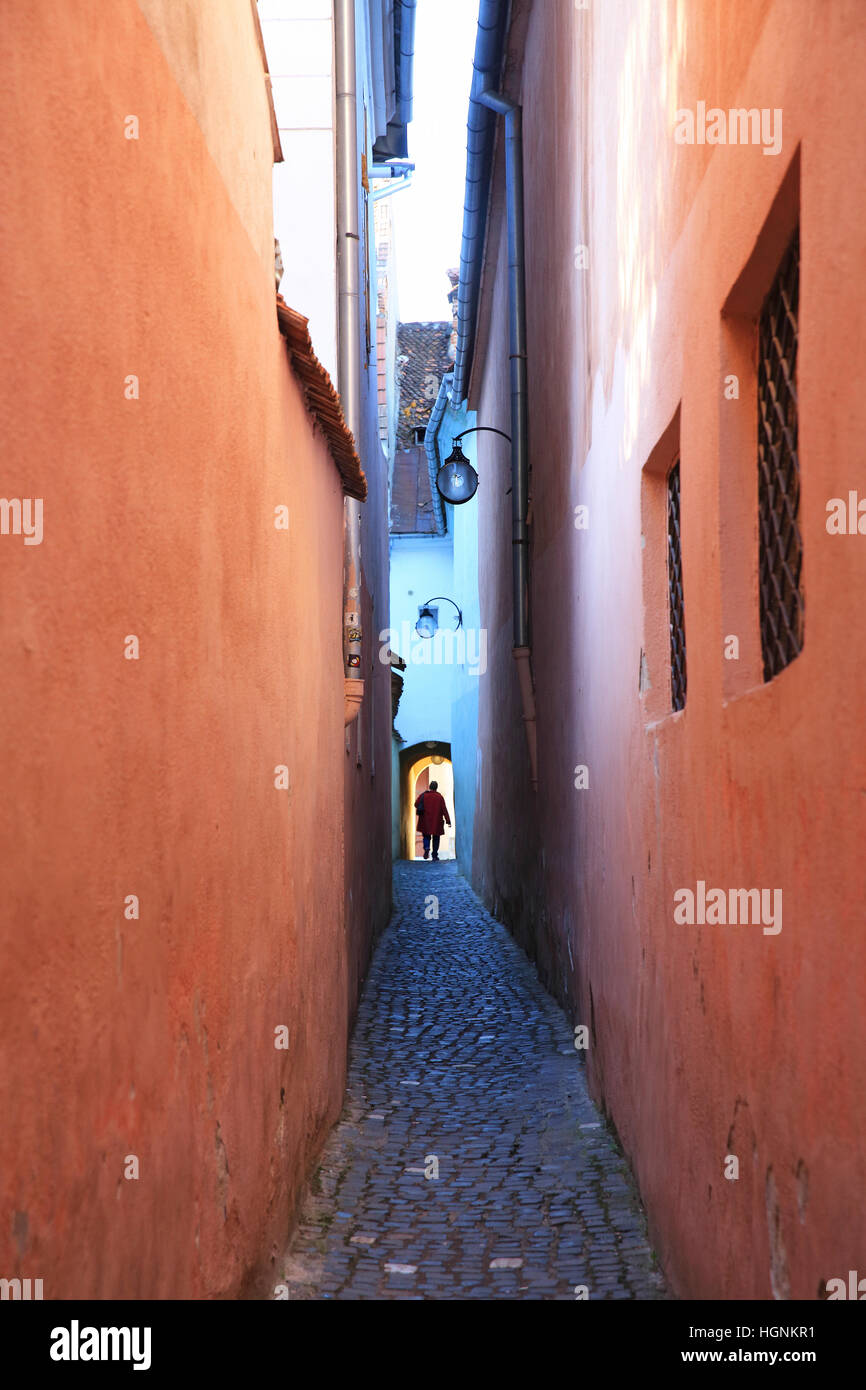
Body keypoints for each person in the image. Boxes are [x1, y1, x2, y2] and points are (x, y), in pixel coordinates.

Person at [415, 780, 451, 861]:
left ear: (429, 787)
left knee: (426, 836)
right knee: (436, 838)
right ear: (436, 787)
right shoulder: (440, 797)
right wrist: (448, 820)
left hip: (425, 820)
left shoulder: (423, 795)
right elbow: (444, 809)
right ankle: (434, 855)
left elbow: (416, 804)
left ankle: (427, 847)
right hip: (436, 821)